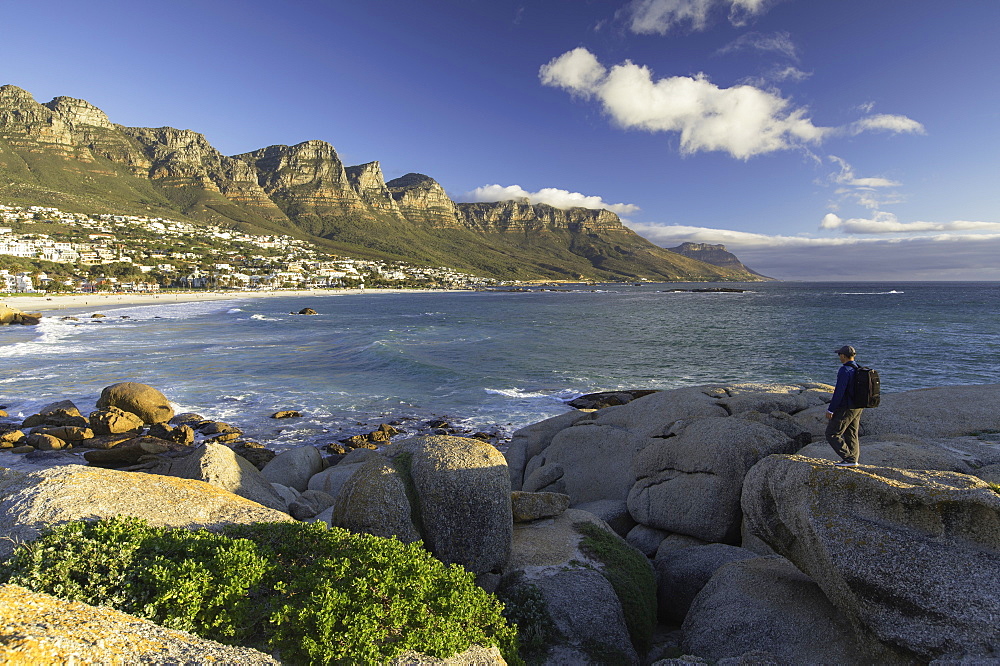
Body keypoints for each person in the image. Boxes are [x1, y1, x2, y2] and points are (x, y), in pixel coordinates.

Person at [826, 345, 864, 467]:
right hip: (858, 406)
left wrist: (831, 409)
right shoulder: (858, 368)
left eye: (839, 355)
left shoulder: (845, 370)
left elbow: (839, 392)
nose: (839, 357)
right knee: (851, 433)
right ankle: (854, 460)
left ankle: (849, 459)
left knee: (832, 433)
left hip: (846, 407)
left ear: (843, 355)